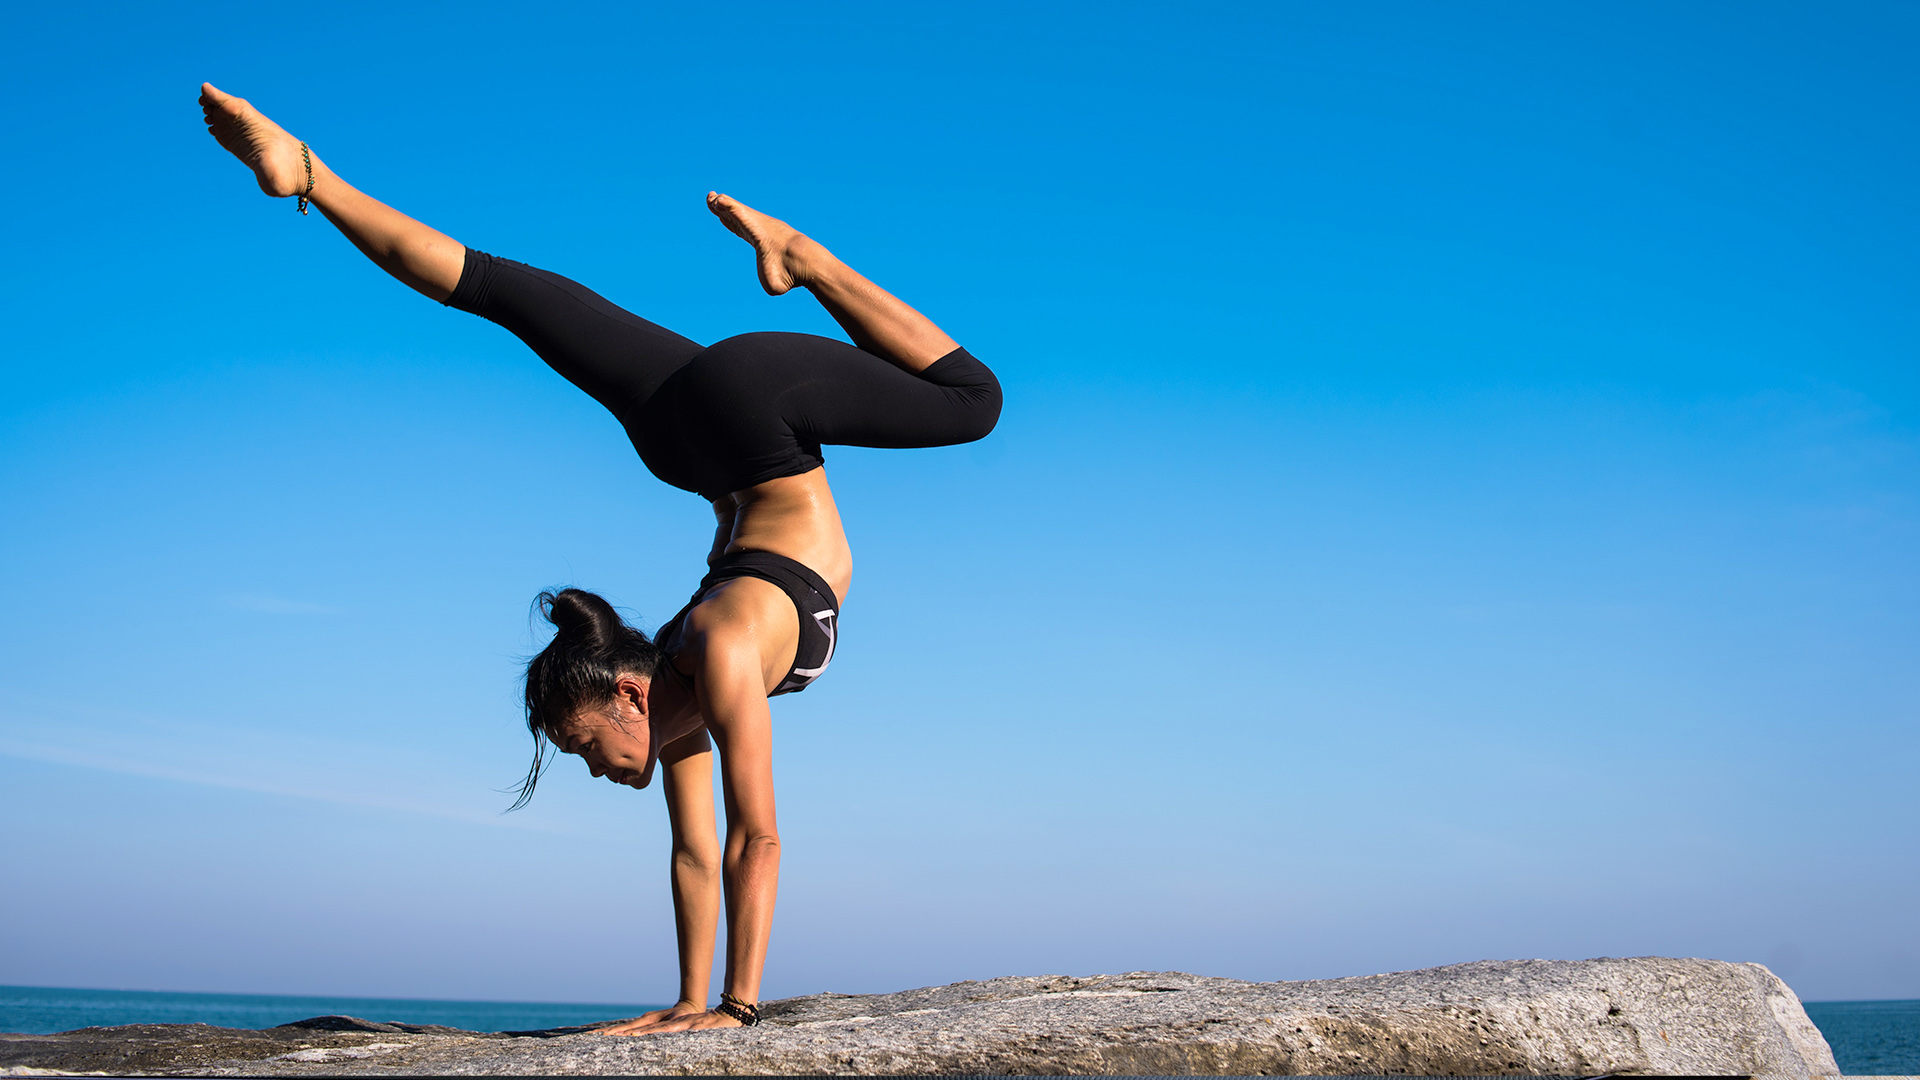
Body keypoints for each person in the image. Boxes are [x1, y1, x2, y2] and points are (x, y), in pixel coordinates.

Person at [199, 83, 1001, 1035]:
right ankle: (311, 178)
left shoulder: (721, 650)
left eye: (581, 746)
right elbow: (697, 854)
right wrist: (686, 1005)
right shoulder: (683, 690)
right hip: (689, 440)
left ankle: (804, 257)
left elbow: (761, 836)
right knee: (496, 289)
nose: (592, 771)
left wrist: (738, 1011)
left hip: (755, 418)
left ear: (628, 694)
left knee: (971, 401)